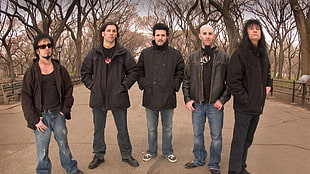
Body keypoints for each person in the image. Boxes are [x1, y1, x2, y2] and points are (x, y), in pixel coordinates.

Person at [21, 33, 83, 174]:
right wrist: (35, 120)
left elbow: (68, 90)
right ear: (37, 50)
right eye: (43, 46)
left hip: (58, 115)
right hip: (41, 118)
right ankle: (43, 172)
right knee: (42, 150)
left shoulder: (60, 70)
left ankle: (71, 169)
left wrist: (64, 110)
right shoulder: (31, 72)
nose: (47, 48)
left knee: (64, 145)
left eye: (49, 45)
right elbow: (26, 97)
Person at [81, 21, 139, 169]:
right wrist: (93, 86)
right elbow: (85, 73)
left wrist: (124, 86)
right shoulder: (94, 53)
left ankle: (126, 154)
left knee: (122, 129)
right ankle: (98, 155)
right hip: (98, 97)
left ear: (116, 34)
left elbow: (134, 71)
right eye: (109, 31)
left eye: (114, 31)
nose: (111, 33)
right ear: (103, 33)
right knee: (98, 130)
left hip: (118, 97)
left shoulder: (123, 53)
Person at [182, 24, 231, 174]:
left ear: (214, 36)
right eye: (205, 33)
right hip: (197, 103)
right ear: (200, 36)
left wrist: (222, 100)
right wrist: (188, 99)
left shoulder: (224, 57)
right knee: (197, 134)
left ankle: (214, 163)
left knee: (216, 136)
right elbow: (186, 80)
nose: (208, 36)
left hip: (215, 104)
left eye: (210, 33)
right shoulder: (193, 57)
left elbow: (230, 82)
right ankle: (198, 159)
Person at [227, 19, 272, 174]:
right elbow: (233, 81)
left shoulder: (263, 54)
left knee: (247, 140)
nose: (255, 31)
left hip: (257, 107)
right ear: (246, 32)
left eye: (257, 29)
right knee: (239, 141)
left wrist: (269, 84)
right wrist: (245, 99)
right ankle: (234, 170)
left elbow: (268, 73)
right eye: (251, 28)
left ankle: (241, 167)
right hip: (244, 108)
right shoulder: (240, 54)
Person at [137, 23, 184, 163]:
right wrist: (144, 84)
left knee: (167, 127)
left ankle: (167, 151)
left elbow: (180, 71)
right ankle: (151, 151)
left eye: (163, 35)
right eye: (158, 35)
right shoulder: (145, 53)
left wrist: (174, 85)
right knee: (151, 127)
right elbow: (139, 71)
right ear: (153, 36)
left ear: (167, 36)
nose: (160, 38)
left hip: (168, 96)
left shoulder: (175, 54)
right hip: (150, 95)